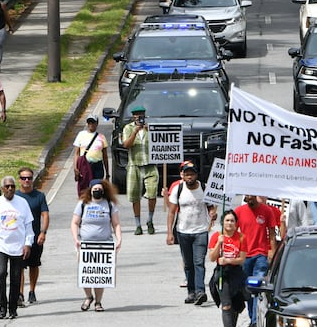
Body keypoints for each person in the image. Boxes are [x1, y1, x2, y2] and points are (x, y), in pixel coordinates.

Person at [0, 175, 33, 320]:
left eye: (12, 186)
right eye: (7, 186)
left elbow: (29, 227)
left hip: (18, 246)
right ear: (3, 188)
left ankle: (13, 308)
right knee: (1, 273)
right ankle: (2, 306)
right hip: (1, 245)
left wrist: (28, 244)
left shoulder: (22, 203)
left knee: (16, 277)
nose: (10, 189)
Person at [166, 162, 216, 305]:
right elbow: (171, 212)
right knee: (188, 264)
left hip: (200, 231)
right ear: (183, 175)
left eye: (192, 174)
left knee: (198, 262)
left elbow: (211, 208)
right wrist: (170, 232)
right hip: (183, 232)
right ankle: (191, 292)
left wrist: (213, 214)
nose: (189, 177)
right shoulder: (178, 189)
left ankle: (200, 291)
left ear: (196, 175)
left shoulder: (204, 188)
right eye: (187, 174)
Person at [71, 179, 122, 312]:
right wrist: (76, 238)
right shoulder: (83, 204)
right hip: (85, 245)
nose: (97, 192)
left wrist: (119, 239)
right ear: (90, 190)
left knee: (100, 275)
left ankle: (98, 302)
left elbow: (116, 224)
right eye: (95, 189)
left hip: (104, 245)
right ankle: (88, 296)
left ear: (104, 191)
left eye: (99, 189)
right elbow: (75, 223)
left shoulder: (109, 204)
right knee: (86, 273)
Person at [235, 195, 280, 327]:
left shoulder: (267, 211)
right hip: (244, 255)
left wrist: (272, 251)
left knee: (257, 288)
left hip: (260, 255)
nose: (249, 198)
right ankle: (252, 319)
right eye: (246, 195)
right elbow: (232, 232)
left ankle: (256, 321)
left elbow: (272, 233)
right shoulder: (239, 211)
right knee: (248, 289)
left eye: (251, 195)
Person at [208, 210, 247, 327]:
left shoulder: (241, 237)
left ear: (236, 223)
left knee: (236, 305)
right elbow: (212, 258)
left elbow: (242, 259)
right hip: (222, 274)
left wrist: (230, 260)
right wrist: (219, 244)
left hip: (236, 274)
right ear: (222, 222)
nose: (229, 223)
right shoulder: (216, 236)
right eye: (227, 220)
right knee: (226, 305)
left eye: (232, 221)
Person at [121, 104, 158, 234]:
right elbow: (126, 144)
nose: (139, 117)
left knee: (152, 193)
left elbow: (160, 143)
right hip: (134, 164)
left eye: (141, 114)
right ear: (133, 116)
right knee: (135, 195)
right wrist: (135, 131)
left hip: (150, 164)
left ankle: (150, 220)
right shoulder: (128, 128)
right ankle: (137, 224)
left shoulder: (150, 127)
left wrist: (150, 131)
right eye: (137, 115)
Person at [17, 167, 50, 307]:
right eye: (24, 178)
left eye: (29, 178)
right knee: (19, 266)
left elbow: (45, 215)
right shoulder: (15, 196)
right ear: (19, 180)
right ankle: (20, 293)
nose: (27, 181)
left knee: (34, 264)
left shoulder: (39, 196)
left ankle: (32, 290)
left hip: (35, 236)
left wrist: (43, 232)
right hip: (18, 237)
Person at [74, 115, 110, 188]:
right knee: (85, 187)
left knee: (97, 187)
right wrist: (75, 168)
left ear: (97, 124)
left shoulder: (101, 137)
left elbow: (105, 156)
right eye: (89, 122)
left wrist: (107, 173)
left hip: (98, 166)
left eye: (93, 122)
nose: (91, 124)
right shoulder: (81, 135)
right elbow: (76, 153)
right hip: (85, 165)